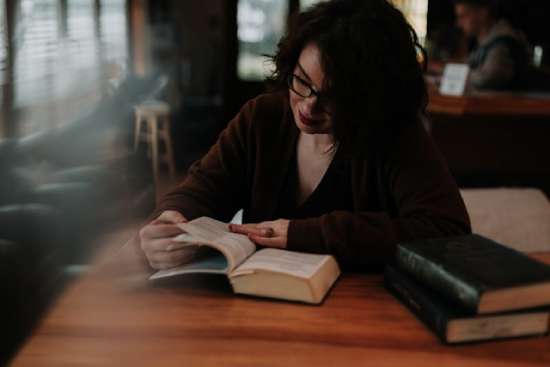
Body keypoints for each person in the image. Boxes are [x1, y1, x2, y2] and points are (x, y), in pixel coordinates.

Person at [138, 0, 471, 272]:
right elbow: (201, 191)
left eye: (334, 96)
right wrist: (171, 221)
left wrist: (302, 234)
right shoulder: (261, 119)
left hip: (364, 311)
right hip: (258, 301)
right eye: (301, 81)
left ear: (373, 98)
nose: (309, 106)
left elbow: (447, 231)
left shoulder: (394, 131)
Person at [454, 0, 529, 90]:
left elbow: (488, 77)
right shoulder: (485, 43)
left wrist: (453, 75)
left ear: (482, 13)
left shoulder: (502, 43)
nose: (459, 23)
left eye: (463, 16)